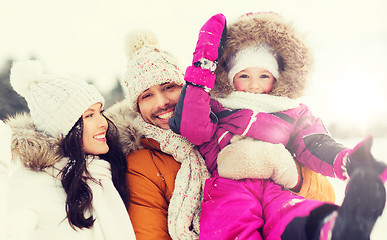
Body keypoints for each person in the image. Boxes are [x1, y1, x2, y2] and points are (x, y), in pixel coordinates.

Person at [169, 12, 387, 240]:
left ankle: (330, 228)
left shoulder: (291, 110)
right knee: (231, 225)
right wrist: (202, 68)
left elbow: (313, 142)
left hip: (278, 184)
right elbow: (192, 128)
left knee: (292, 212)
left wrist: (346, 160)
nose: (254, 85)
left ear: (277, 78)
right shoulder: (216, 106)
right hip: (230, 186)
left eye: (264, 75)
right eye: (244, 75)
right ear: (230, 77)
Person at [106, 29, 339, 240]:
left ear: (187, 87)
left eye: (169, 87)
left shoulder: (231, 124)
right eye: (147, 96)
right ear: (136, 106)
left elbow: (326, 195)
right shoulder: (142, 164)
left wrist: (291, 173)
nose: (162, 102)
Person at [2, 60, 136, 240]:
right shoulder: (31, 183)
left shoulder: (101, 175)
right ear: (63, 129)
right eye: (89, 115)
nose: (103, 122)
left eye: (100, 112)